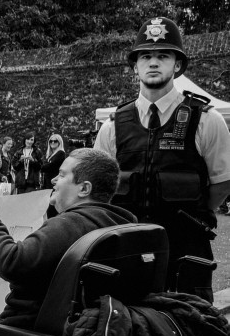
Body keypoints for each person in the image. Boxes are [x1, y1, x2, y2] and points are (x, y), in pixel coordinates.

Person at [94, 16, 230, 302]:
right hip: (127, 252)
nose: (153, 62)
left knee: (191, 325)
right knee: (125, 324)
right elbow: (98, 189)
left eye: (163, 56)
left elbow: (222, 183)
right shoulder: (112, 126)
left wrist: (190, 215)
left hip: (186, 253)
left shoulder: (206, 120)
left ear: (177, 65)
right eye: (145, 56)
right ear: (135, 66)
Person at [0, 148, 136, 329]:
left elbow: (12, 262)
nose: (53, 180)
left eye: (62, 175)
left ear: (84, 189)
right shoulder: (124, 226)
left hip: (22, 334)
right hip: (81, 334)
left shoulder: (71, 224)